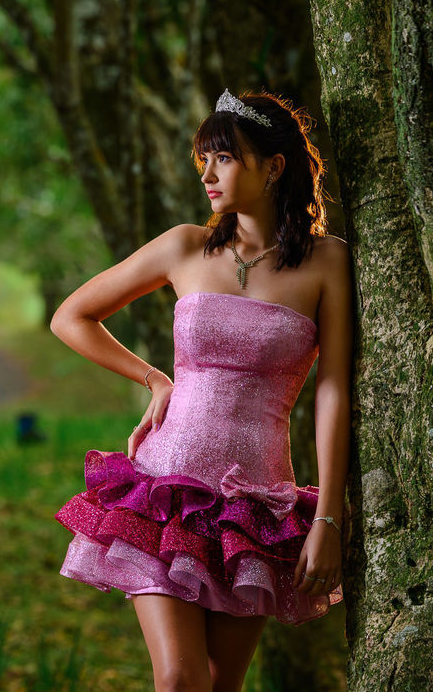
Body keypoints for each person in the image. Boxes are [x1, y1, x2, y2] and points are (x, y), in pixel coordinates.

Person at [50, 89, 352, 692]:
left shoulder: (327, 262)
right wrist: (152, 376)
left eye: (225, 158)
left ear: (274, 166)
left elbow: (334, 390)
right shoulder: (184, 245)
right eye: (203, 160)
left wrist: (328, 518)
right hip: (166, 489)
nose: (208, 173)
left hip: (255, 504)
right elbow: (72, 317)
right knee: (181, 680)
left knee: (220, 684)